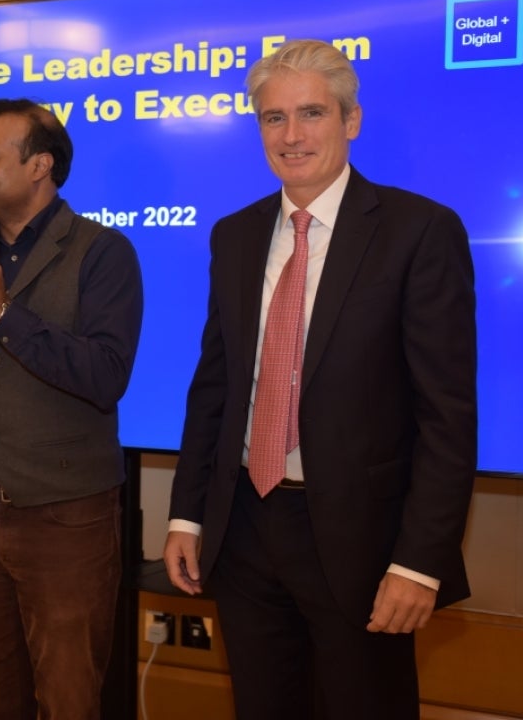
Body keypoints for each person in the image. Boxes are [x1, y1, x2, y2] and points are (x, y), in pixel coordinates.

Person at [162, 39, 477, 720]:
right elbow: (214, 388)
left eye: (311, 113)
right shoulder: (235, 235)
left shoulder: (418, 231)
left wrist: (420, 561)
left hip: (362, 544)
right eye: (274, 118)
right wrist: (188, 513)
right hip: (244, 527)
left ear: (351, 120)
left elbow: (446, 415)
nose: (292, 135)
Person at [0, 97, 144, 720]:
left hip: (67, 520)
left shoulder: (103, 252)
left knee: (68, 701)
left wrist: (5, 313)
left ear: (40, 166)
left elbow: (105, 377)